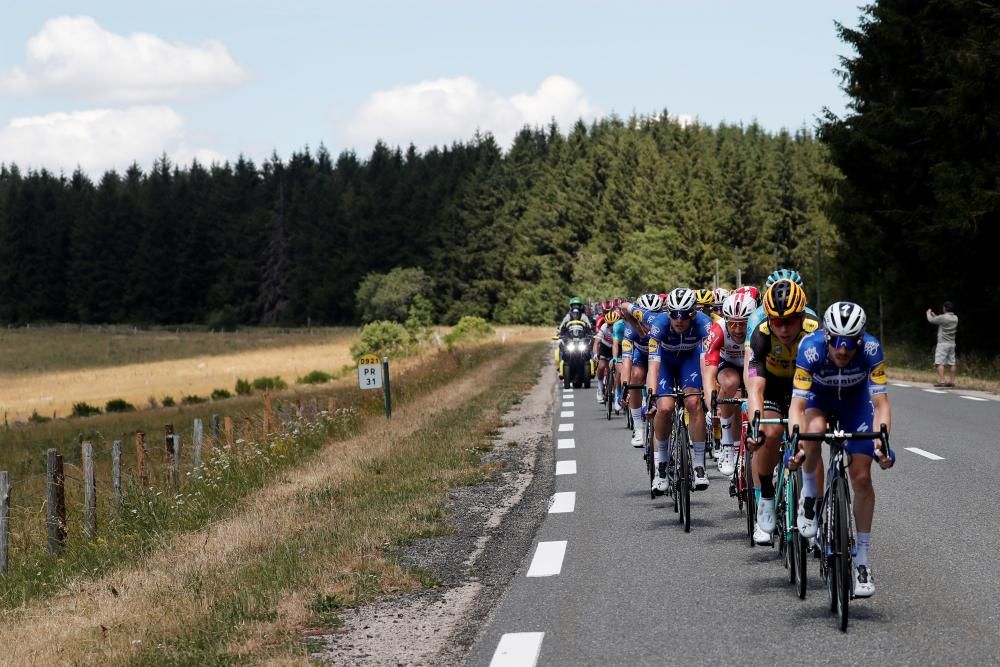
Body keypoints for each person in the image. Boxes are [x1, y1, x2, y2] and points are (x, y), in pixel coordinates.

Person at [789, 301, 894, 597]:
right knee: (813, 432)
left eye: (849, 343)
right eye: (836, 341)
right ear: (826, 336)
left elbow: (880, 404)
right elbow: (797, 406)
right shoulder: (810, 348)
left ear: (860, 339)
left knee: (861, 477)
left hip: (854, 404)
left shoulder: (872, 349)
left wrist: (882, 441)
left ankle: (861, 559)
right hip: (819, 401)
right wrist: (797, 442)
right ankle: (810, 493)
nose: (842, 349)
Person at [745, 279, 820, 545]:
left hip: (806, 385)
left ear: (802, 316)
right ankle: (765, 496)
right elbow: (755, 389)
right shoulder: (761, 336)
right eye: (777, 322)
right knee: (771, 430)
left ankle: (813, 508)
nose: (784, 328)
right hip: (774, 387)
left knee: (812, 437)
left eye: (790, 320)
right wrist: (756, 426)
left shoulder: (815, 332)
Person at [624, 288, 714, 492]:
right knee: (664, 407)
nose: (679, 319)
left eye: (684, 314)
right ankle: (661, 466)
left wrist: (710, 403)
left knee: (693, 402)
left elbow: (706, 365)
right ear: (668, 313)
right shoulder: (657, 323)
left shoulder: (704, 324)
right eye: (674, 314)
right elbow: (653, 367)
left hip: (690, 361)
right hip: (664, 362)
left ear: (693, 314)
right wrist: (652, 397)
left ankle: (699, 467)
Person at [703, 291, 755, 475]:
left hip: (752, 365)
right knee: (730, 383)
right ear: (725, 319)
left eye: (743, 324)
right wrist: (711, 406)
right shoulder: (718, 330)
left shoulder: (758, 329)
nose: (738, 330)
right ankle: (726, 445)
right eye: (733, 323)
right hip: (728, 365)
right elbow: (708, 374)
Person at [620, 293, 662, 447]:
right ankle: (638, 428)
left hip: (661, 356)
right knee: (635, 376)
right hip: (642, 356)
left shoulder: (663, 324)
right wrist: (626, 388)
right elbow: (626, 361)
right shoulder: (630, 330)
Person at [926, 301, 958, 387]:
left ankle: (942, 381)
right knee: (952, 363)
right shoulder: (955, 318)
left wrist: (928, 313)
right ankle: (952, 382)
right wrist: (935, 315)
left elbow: (931, 320)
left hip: (943, 343)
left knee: (939, 363)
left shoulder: (943, 317)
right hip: (952, 343)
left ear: (945, 308)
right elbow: (941, 321)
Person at [592, 309, 620, 404]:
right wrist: (596, 354)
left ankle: (616, 392)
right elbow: (596, 343)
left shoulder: (620, 327)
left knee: (618, 371)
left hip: (617, 347)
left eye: (613, 324)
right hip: (605, 347)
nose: (611, 327)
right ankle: (600, 388)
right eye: (609, 324)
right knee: (601, 366)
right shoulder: (604, 327)